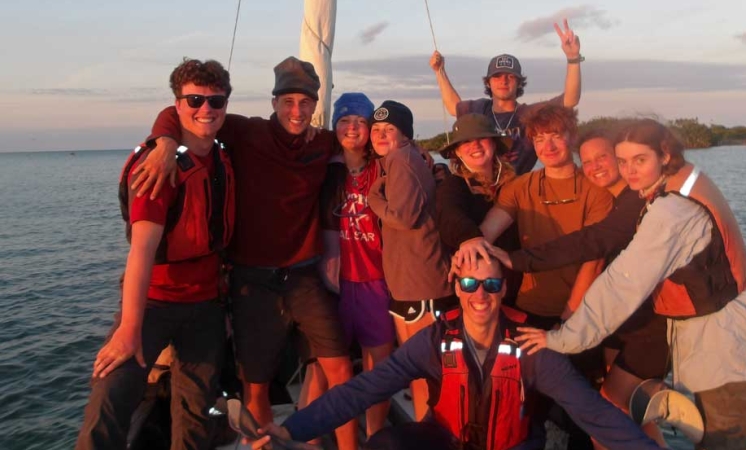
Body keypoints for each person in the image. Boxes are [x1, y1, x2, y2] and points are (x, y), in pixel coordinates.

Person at [131, 57, 357, 448]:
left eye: (305, 103)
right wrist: (165, 141)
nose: (297, 111)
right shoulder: (247, 132)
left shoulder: (323, 143)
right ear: (274, 104)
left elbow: (361, 138)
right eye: (288, 102)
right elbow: (181, 109)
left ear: (315, 106)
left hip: (303, 277)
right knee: (256, 386)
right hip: (253, 281)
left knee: (340, 369)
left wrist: (421, 160)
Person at [516, 119, 746, 450]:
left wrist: (561, 339)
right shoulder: (676, 184)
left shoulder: (673, 211)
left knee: (725, 442)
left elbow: (622, 283)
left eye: (639, 160)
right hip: (713, 342)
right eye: (623, 161)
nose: (629, 171)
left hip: (730, 349)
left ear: (665, 154)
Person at [245, 254, 662, 450]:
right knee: (386, 445)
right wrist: (293, 428)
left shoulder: (532, 349)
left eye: (492, 285)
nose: (480, 295)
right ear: (456, 288)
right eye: (469, 285)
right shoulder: (433, 341)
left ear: (503, 291)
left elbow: (592, 412)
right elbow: (364, 390)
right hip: (445, 441)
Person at [75, 58, 234, 450]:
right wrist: (129, 331)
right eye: (194, 100)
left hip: (205, 305)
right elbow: (142, 252)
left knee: (196, 414)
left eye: (216, 101)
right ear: (177, 105)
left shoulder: (222, 157)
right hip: (154, 304)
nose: (206, 110)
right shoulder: (158, 170)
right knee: (111, 399)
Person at [487, 129, 669, 446]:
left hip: (646, 325)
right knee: (628, 410)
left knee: (609, 412)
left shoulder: (637, 202)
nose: (596, 165)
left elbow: (590, 246)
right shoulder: (622, 198)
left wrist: (519, 261)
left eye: (604, 157)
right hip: (614, 321)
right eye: (589, 161)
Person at [366, 100, 455, 420]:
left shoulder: (401, 160)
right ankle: (427, 430)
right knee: (420, 370)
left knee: (425, 372)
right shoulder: (403, 159)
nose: (380, 135)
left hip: (421, 284)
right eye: (375, 129)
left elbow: (402, 218)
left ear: (405, 135)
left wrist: (372, 196)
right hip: (411, 283)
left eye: (389, 129)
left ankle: (434, 433)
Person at [318, 92, 396, 437]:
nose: (353, 128)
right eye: (346, 120)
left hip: (375, 281)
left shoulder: (384, 166)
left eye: (362, 121)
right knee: (321, 372)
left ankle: (376, 436)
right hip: (331, 284)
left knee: (379, 368)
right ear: (335, 125)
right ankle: (311, 438)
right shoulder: (322, 169)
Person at [429, 19, 582, 174]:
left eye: (510, 76)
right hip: (480, 189)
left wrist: (573, 58)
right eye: (497, 76)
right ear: (488, 82)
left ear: (519, 82)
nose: (503, 81)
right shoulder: (478, 109)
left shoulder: (530, 114)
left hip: (515, 190)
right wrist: (439, 71)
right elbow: (453, 106)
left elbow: (570, 100)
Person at [435, 113, 522, 306]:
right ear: (457, 151)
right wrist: (469, 238)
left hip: (518, 286)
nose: (474, 145)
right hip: (477, 289)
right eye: (466, 141)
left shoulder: (517, 184)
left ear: (494, 144)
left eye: (481, 138)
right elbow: (448, 214)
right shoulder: (453, 185)